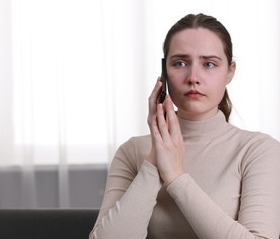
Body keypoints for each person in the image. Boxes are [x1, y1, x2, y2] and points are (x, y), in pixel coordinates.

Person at [89, 13, 280, 239]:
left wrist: (176, 178)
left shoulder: (258, 150)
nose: (193, 77)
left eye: (209, 64)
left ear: (230, 72)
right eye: (180, 63)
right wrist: (153, 162)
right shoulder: (132, 151)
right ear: (163, 75)